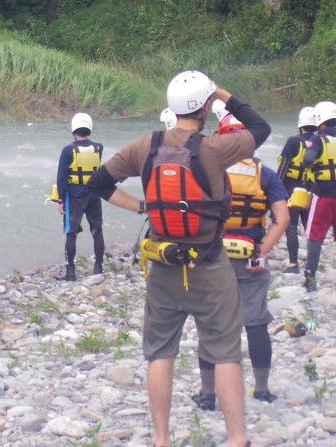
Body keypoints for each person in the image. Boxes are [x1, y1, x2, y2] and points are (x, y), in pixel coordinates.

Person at [85, 71, 271, 447]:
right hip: (211, 265)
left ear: (170, 107)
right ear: (204, 108)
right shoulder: (218, 148)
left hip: (164, 264)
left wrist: (143, 207)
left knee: (160, 353)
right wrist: (222, 94)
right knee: (225, 354)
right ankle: (237, 440)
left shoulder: (143, 147)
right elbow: (260, 127)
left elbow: (98, 183)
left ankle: (162, 440)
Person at [191, 115, 289, 411]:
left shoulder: (206, 172)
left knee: (211, 324)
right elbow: (282, 219)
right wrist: (262, 251)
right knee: (256, 322)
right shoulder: (265, 174)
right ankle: (261, 390)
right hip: (249, 257)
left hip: (213, 256)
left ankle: (208, 395)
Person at [301, 101, 336, 292]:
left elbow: (308, 158)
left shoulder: (318, 140)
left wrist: (307, 167)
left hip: (323, 196)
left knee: (315, 237)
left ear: (319, 119)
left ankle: (310, 279)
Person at [54, 113, 106, 279]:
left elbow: (62, 177)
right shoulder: (99, 148)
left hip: (75, 196)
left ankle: (70, 271)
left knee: (71, 232)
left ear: (74, 129)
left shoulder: (68, 150)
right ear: (89, 128)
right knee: (97, 229)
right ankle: (98, 267)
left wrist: (61, 200)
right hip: (94, 194)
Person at [276, 106, 321, 274]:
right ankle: (311, 266)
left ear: (300, 124)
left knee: (292, 227)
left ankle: (294, 264)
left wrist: (275, 192)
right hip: (311, 189)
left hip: (291, 189)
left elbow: (283, 168)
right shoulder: (319, 142)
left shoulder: (293, 142)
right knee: (310, 229)